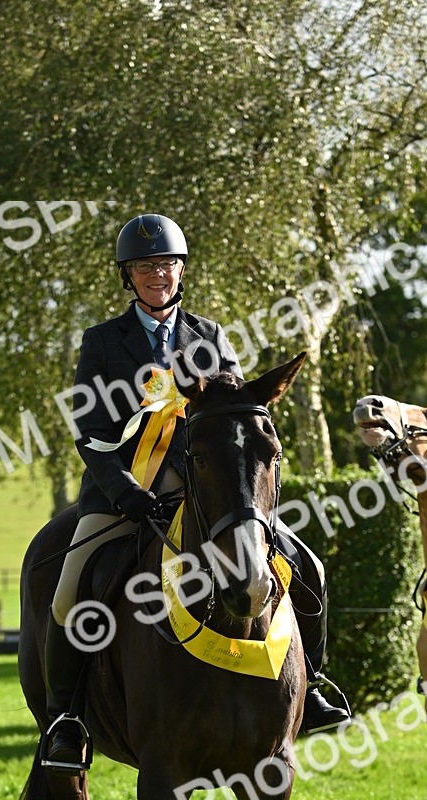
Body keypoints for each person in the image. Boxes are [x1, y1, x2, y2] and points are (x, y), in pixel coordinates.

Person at [43, 213, 350, 770]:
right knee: (70, 590)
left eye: (165, 264)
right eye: (144, 266)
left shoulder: (209, 336)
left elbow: (236, 413)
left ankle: (314, 686)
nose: (156, 274)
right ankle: (66, 720)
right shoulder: (102, 343)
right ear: (128, 276)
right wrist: (125, 491)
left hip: (206, 493)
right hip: (123, 496)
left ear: (181, 270)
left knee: (309, 567)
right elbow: (89, 432)